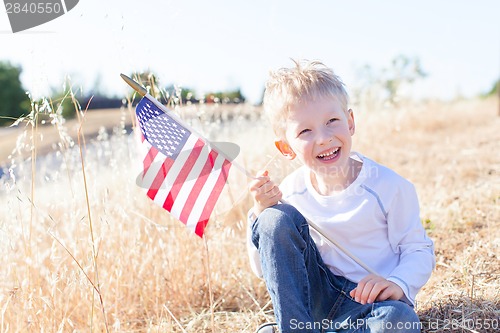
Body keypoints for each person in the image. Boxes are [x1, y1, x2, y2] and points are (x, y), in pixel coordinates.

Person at [247, 60, 435, 333]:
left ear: (350, 122)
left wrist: (396, 282)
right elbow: (264, 269)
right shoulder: (289, 192)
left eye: (332, 121)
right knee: (275, 219)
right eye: (305, 131)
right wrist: (260, 211)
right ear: (286, 147)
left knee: (397, 321)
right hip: (310, 309)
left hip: (370, 306)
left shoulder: (388, 187)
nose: (323, 138)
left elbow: (418, 250)